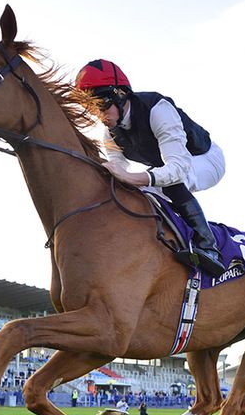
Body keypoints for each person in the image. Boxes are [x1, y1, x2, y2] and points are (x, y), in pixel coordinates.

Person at [74, 59, 229, 277]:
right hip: (172, 166)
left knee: (169, 184)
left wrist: (131, 177)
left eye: (101, 105)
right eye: (91, 110)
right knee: (137, 195)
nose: (99, 116)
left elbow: (177, 169)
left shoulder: (158, 109)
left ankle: (208, 247)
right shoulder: (110, 133)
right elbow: (117, 170)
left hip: (205, 159)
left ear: (120, 94)